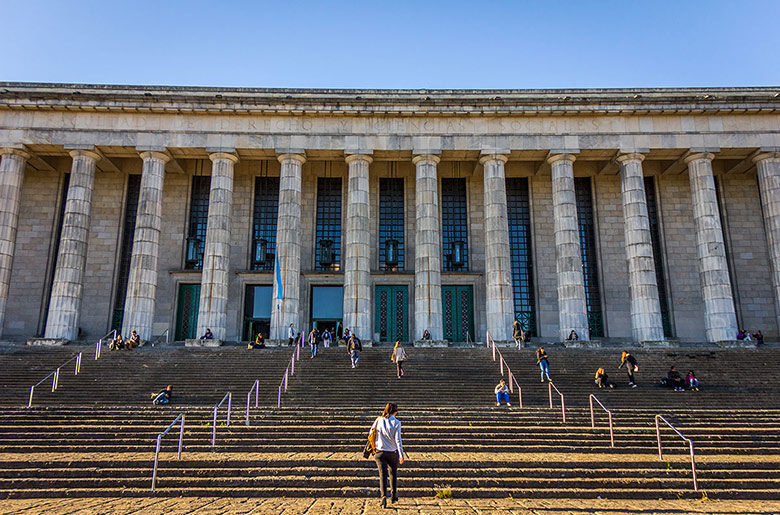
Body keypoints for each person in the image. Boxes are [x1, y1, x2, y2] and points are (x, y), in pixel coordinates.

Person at [369, 403, 405, 508]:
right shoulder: (397, 422)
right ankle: (393, 496)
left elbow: (371, 432)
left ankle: (383, 496)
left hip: (380, 452)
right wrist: (401, 454)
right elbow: (398, 440)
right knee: (393, 473)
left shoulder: (379, 420)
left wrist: (375, 444)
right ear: (395, 412)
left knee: (382, 475)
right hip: (392, 452)